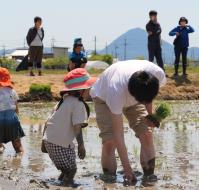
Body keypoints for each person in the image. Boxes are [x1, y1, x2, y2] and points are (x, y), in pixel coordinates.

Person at [90, 60, 166, 183]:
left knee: (147, 133)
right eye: (142, 100)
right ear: (132, 94)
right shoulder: (115, 91)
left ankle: (149, 177)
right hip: (103, 98)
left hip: (136, 97)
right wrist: (127, 169)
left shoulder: (157, 73)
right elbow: (118, 134)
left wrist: (150, 116)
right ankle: (109, 180)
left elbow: (148, 95)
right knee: (110, 141)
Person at [43, 68, 96, 186]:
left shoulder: (63, 101)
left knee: (66, 169)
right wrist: (81, 146)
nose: (90, 91)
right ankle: (66, 185)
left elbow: (47, 122)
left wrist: (43, 142)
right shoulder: (78, 104)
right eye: (89, 89)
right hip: (59, 144)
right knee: (72, 170)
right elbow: (77, 127)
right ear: (81, 90)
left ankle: (61, 182)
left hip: (49, 141)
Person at [0, 67, 25, 154]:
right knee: (18, 146)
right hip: (12, 119)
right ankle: (19, 162)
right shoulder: (12, 91)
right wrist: (16, 119)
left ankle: (0, 148)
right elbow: (16, 108)